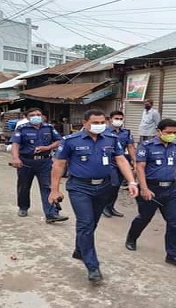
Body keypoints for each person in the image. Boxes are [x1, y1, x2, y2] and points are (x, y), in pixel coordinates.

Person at [50, 109, 139, 282]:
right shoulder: (70, 141)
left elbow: (121, 160)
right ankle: (92, 265)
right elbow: (59, 165)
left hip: (104, 186)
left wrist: (132, 181)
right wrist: (55, 189)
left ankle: (79, 249)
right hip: (79, 187)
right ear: (84, 123)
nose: (99, 126)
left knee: (92, 223)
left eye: (102, 122)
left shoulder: (111, 139)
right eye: (95, 123)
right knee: (86, 223)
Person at [125, 118, 176, 271]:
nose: (172, 135)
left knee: (174, 222)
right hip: (151, 188)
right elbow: (140, 168)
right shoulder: (146, 146)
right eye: (168, 132)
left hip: (171, 190)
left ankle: (173, 255)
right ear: (159, 131)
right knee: (144, 217)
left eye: (174, 133)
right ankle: (132, 237)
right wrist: (143, 188)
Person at [10, 108, 67, 223]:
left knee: (48, 187)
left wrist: (48, 148)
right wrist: (16, 158)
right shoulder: (22, 129)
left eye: (38, 114)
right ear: (27, 117)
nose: (36, 116)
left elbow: (59, 141)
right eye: (32, 115)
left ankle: (51, 214)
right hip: (26, 162)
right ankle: (23, 207)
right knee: (24, 186)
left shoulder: (49, 128)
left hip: (44, 162)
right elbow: (15, 144)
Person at [102, 110, 136, 218]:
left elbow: (130, 147)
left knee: (117, 187)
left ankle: (111, 207)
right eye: (116, 119)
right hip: (109, 161)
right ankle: (104, 207)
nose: (119, 121)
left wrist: (134, 161)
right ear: (110, 119)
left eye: (121, 119)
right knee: (113, 184)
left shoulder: (126, 133)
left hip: (122, 161)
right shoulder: (104, 131)